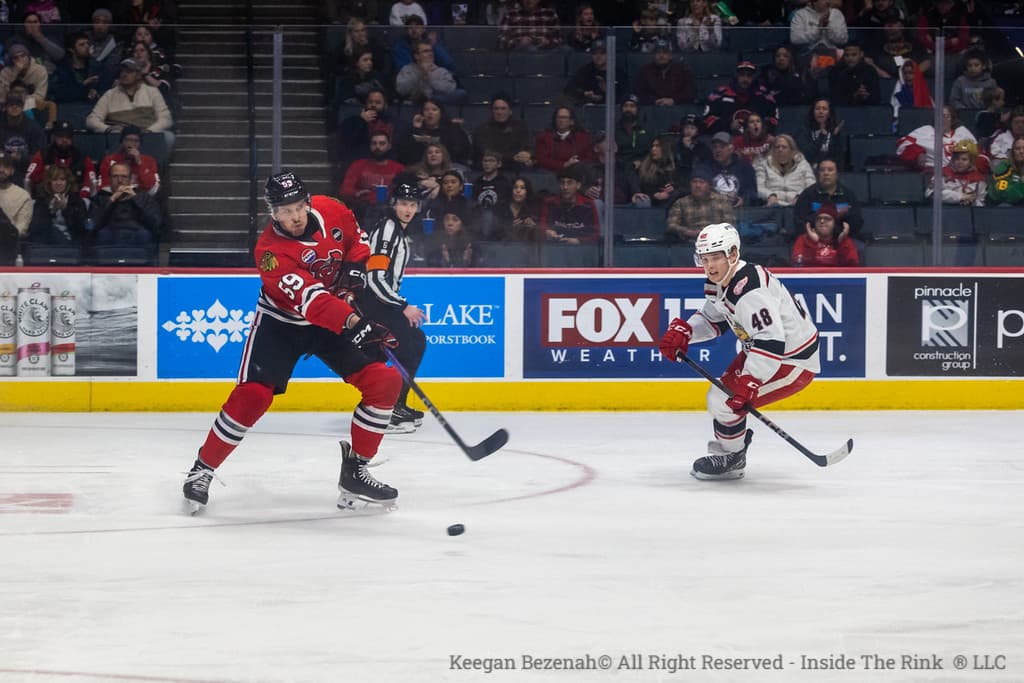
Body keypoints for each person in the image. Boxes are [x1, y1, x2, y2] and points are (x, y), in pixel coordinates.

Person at [182, 171, 402, 514]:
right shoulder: (269, 252)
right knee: (252, 396)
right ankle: (202, 470)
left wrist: (356, 270)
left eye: (299, 207)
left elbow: (358, 243)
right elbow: (312, 302)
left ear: (309, 202)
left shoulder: (333, 209)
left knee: (385, 383)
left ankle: (356, 470)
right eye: (285, 211)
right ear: (273, 214)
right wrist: (355, 323)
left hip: (333, 319)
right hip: (281, 324)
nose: (295, 216)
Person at [658, 223, 820, 479]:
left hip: (792, 360)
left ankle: (731, 457)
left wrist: (750, 382)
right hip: (766, 351)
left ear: (732, 255)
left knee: (723, 401)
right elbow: (715, 320)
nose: (709, 266)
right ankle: (732, 451)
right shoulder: (722, 281)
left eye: (715, 258)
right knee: (722, 398)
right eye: (704, 259)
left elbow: (772, 340)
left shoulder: (749, 290)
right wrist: (686, 332)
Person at [357, 180, 428, 434]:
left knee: (415, 341)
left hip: (380, 302)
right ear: (393, 204)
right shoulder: (387, 229)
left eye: (412, 204)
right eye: (403, 203)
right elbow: (375, 278)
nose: (408, 209)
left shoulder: (397, 230)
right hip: (372, 303)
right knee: (409, 343)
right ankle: (387, 408)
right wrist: (402, 306)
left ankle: (394, 403)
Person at [89, 161, 163, 245]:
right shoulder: (100, 197)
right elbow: (92, 226)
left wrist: (136, 199)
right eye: (115, 176)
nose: (120, 180)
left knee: (145, 235)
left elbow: (156, 223)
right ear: (109, 179)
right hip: (108, 241)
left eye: (124, 177)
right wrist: (111, 200)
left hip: (139, 240)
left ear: (131, 179)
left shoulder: (143, 197)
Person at [898, 105, 987, 173]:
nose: (942, 119)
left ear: (952, 119)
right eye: (939, 116)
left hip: (962, 176)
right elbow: (902, 145)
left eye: (946, 116)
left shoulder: (962, 132)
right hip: (934, 174)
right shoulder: (925, 130)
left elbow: (980, 155)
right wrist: (918, 154)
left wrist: (974, 165)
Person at [792, 158, 864, 239]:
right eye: (822, 170)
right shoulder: (807, 195)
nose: (826, 173)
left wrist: (841, 235)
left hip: (842, 239)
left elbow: (857, 221)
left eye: (830, 170)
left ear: (837, 174)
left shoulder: (848, 196)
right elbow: (799, 222)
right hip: (813, 240)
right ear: (817, 174)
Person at [26, 120, 98, 200]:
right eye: (61, 136)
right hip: (46, 198)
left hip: (76, 199)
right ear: (54, 137)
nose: (64, 140)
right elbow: (29, 178)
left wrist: (81, 196)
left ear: (72, 138)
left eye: (68, 137)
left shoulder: (82, 157)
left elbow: (91, 181)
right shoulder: (43, 155)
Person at [702, 61, 779, 135]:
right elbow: (707, 120)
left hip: (756, 141)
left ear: (753, 77)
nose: (745, 79)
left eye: (749, 75)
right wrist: (728, 126)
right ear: (736, 76)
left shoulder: (765, 95)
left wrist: (757, 128)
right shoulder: (719, 94)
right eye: (742, 75)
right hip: (727, 140)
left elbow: (774, 120)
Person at [665, 168, 735, 242]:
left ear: (709, 186)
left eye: (702, 182)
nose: (697, 185)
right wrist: (687, 231)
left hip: (716, 243)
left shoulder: (722, 201)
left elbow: (729, 225)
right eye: (694, 182)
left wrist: (710, 234)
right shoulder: (681, 203)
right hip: (688, 244)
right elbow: (671, 225)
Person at [28, 164, 89, 245]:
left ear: (67, 182)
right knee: (52, 231)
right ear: (49, 182)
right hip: (47, 243)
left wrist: (66, 209)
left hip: (72, 243)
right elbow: (36, 228)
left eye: (62, 179)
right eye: (55, 179)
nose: (58, 183)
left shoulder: (76, 200)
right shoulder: (41, 200)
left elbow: (81, 228)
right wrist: (52, 211)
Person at [692, 131, 757, 208]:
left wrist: (743, 199)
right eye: (715, 147)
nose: (718, 150)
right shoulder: (704, 167)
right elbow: (697, 188)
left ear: (731, 149)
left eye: (722, 147)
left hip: (739, 211)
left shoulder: (744, 166)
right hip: (712, 210)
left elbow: (752, 190)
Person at [470, 94, 533, 170]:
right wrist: (513, 157)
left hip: (514, 166)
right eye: (496, 109)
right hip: (489, 166)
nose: (499, 112)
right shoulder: (481, 130)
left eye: (503, 109)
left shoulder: (521, 128)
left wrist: (527, 154)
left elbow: (528, 146)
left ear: (510, 111)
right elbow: (487, 153)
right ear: (492, 111)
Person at [540, 165, 600, 244]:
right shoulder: (550, 203)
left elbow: (596, 235)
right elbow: (541, 227)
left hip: (581, 251)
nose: (565, 187)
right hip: (554, 248)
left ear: (578, 185)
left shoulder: (588, 205)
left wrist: (578, 241)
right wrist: (546, 232)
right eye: (562, 183)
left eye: (570, 183)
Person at [394, 40, 464, 105]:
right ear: (416, 56)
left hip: (437, 104)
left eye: (431, 51)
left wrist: (429, 77)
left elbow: (450, 89)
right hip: (415, 103)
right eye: (426, 51)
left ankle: (431, 100)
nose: (430, 53)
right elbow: (401, 90)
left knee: (461, 93)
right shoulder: (407, 69)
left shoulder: (441, 71)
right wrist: (421, 74)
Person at [754, 134, 816, 207]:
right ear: (773, 150)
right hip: (773, 206)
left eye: (784, 147)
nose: (780, 149)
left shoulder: (803, 164)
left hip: (798, 205)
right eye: (777, 147)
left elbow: (811, 185)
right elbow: (758, 187)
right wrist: (770, 195)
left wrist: (800, 197)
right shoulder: (764, 164)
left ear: (792, 150)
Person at [98, 125, 161, 196]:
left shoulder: (149, 161)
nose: (131, 144)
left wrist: (139, 164)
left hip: (139, 199)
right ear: (122, 141)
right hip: (114, 197)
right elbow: (103, 186)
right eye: (128, 140)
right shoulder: (109, 160)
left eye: (136, 141)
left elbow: (152, 188)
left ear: (140, 143)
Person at [791, 203, 858, 266]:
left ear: (835, 224)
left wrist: (842, 243)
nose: (822, 221)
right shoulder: (803, 240)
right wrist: (813, 243)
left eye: (827, 219)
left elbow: (852, 266)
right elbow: (797, 264)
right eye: (818, 219)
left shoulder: (845, 241)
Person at [635, 39, 696, 107]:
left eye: (665, 52)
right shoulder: (645, 71)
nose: (661, 55)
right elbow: (639, 92)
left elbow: (690, 92)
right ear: (653, 55)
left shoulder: (682, 70)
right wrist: (654, 101)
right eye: (658, 52)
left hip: (677, 108)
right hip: (653, 108)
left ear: (670, 55)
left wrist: (674, 100)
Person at [926, 139, 986, 207]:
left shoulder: (978, 179)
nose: (960, 162)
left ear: (972, 161)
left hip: (967, 213)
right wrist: (960, 197)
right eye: (957, 159)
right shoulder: (942, 173)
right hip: (944, 211)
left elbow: (981, 203)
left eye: (964, 159)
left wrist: (971, 202)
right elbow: (931, 193)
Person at [534, 106, 594, 173]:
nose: (561, 120)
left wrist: (576, 164)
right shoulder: (544, 137)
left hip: (576, 173)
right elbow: (542, 159)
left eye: (564, 117)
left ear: (572, 121)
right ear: (555, 120)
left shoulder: (583, 137)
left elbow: (589, 158)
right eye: (559, 117)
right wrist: (564, 164)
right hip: (550, 173)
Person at [795, 98, 845, 168]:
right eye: (817, 108)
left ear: (830, 113)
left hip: (828, 171)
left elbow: (839, 159)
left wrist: (835, 137)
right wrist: (821, 137)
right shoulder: (804, 130)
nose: (820, 111)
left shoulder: (835, 132)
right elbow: (805, 155)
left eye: (824, 109)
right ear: (813, 112)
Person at [988, 137, 1024, 206]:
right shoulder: (1004, 167)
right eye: (1017, 149)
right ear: (1012, 152)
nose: (1021, 151)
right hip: (1011, 205)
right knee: (1004, 205)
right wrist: (1021, 184)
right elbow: (1003, 194)